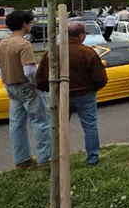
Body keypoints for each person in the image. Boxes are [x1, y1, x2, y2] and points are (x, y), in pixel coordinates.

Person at [36, 21, 108, 166]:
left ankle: (55, 158)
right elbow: (100, 78)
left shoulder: (52, 52)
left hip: (60, 94)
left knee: (58, 127)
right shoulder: (88, 52)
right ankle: (92, 158)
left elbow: (42, 77)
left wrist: (51, 90)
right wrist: (92, 88)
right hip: (85, 94)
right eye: (85, 34)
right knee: (90, 125)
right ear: (81, 35)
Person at [0, 10, 51, 168]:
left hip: (10, 86)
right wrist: (38, 84)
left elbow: (1, 68)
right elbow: (29, 70)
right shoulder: (23, 44)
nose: (31, 25)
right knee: (41, 122)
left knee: (16, 123)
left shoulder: (2, 44)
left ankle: (22, 159)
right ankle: (45, 158)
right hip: (27, 86)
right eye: (30, 22)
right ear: (24, 24)